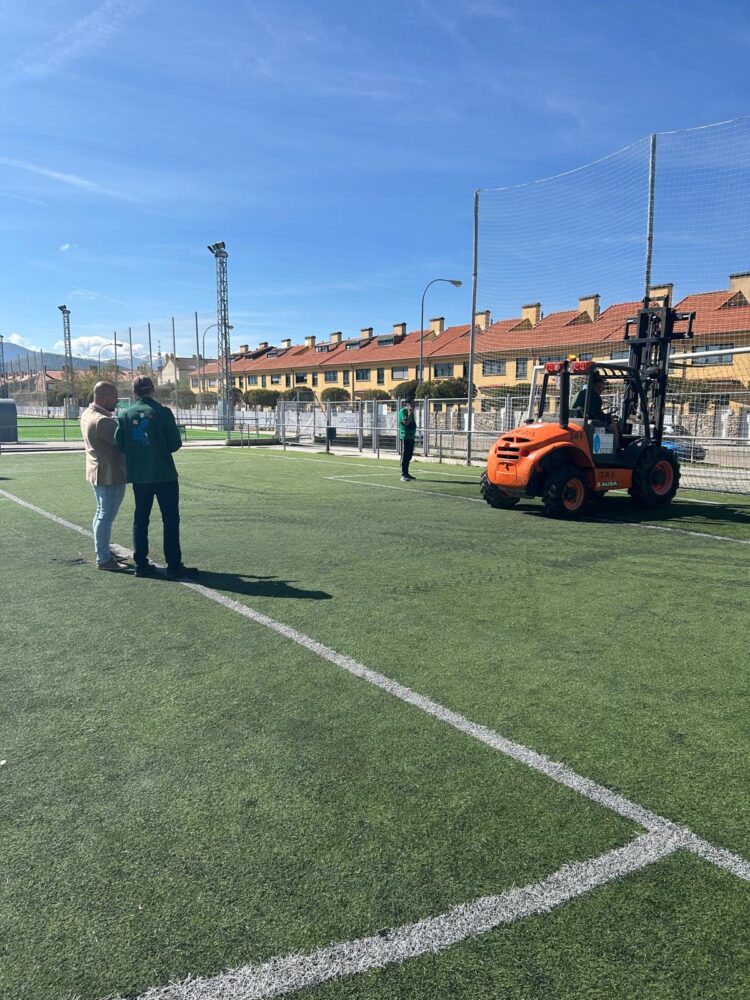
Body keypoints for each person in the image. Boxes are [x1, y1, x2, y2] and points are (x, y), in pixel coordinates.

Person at [114, 376, 197, 579]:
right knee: (170, 521)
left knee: (140, 520)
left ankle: (141, 564)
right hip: (164, 475)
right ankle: (174, 564)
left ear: (134, 392)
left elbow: (120, 444)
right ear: (152, 390)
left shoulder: (125, 415)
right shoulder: (163, 412)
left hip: (140, 477)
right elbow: (174, 445)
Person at [80, 380, 129, 572]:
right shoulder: (103, 421)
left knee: (101, 513)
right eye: (113, 397)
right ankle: (104, 558)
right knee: (105, 516)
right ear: (101, 397)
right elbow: (122, 444)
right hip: (109, 473)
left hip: (96, 471)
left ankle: (103, 551)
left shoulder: (87, 414)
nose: (116, 401)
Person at [572, 371, 619, 448]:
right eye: (602, 388)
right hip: (587, 423)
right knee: (613, 424)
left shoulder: (578, 393)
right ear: (598, 387)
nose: (602, 390)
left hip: (577, 421)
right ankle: (616, 448)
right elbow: (597, 414)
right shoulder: (594, 396)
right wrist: (608, 417)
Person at [398, 398, 417, 481]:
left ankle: (407, 473)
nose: (414, 405)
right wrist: (409, 413)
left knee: (409, 456)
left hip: (411, 437)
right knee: (404, 456)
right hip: (405, 437)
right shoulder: (403, 411)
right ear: (408, 404)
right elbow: (405, 423)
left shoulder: (412, 413)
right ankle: (403, 475)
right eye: (412, 403)